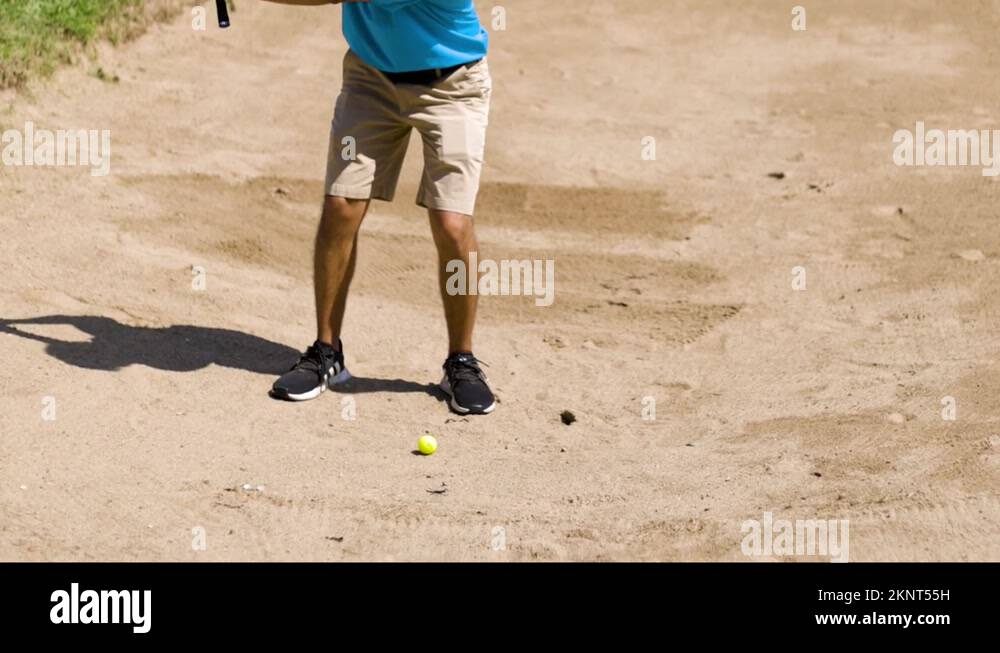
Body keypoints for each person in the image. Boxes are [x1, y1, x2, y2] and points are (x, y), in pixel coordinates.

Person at [263, 0, 496, 414]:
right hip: (370, 80)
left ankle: (461, 361)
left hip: (453, 86)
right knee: (341, 205)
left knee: (452, 223)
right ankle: (326, 352)